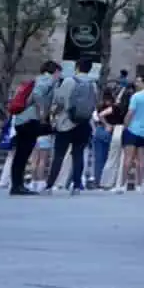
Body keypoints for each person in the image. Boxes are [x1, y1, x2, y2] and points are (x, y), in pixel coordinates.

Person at [8, 61, 64, 195]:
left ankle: (17, 185)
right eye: (59, 72)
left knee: (20, 155)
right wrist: (43, 112)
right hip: (30, 120)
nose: (59, 75)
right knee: (24, 153)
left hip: (22, 119)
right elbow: (38, 94)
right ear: (55, 71)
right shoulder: (48, 80)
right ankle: (18, 186)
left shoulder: (37, 79)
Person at [47, 60, 100, 195]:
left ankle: (50, 185)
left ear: (77, 67)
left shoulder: (69, 81)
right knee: (78, 155)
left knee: (59, 155)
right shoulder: (93, 84)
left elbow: (59, 101)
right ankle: (76, 185)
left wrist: (53, 114)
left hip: (66, 123)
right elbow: (94, 104)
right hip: (83, 124)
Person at [121, 74, 144, 192]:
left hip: (132, 129)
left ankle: (122, 184)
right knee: (141, 159)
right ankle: (140, 185)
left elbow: (130, 112)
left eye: (138, 81)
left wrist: (125, 125)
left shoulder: (136, 96)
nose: (136, 83)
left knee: (128, 158)